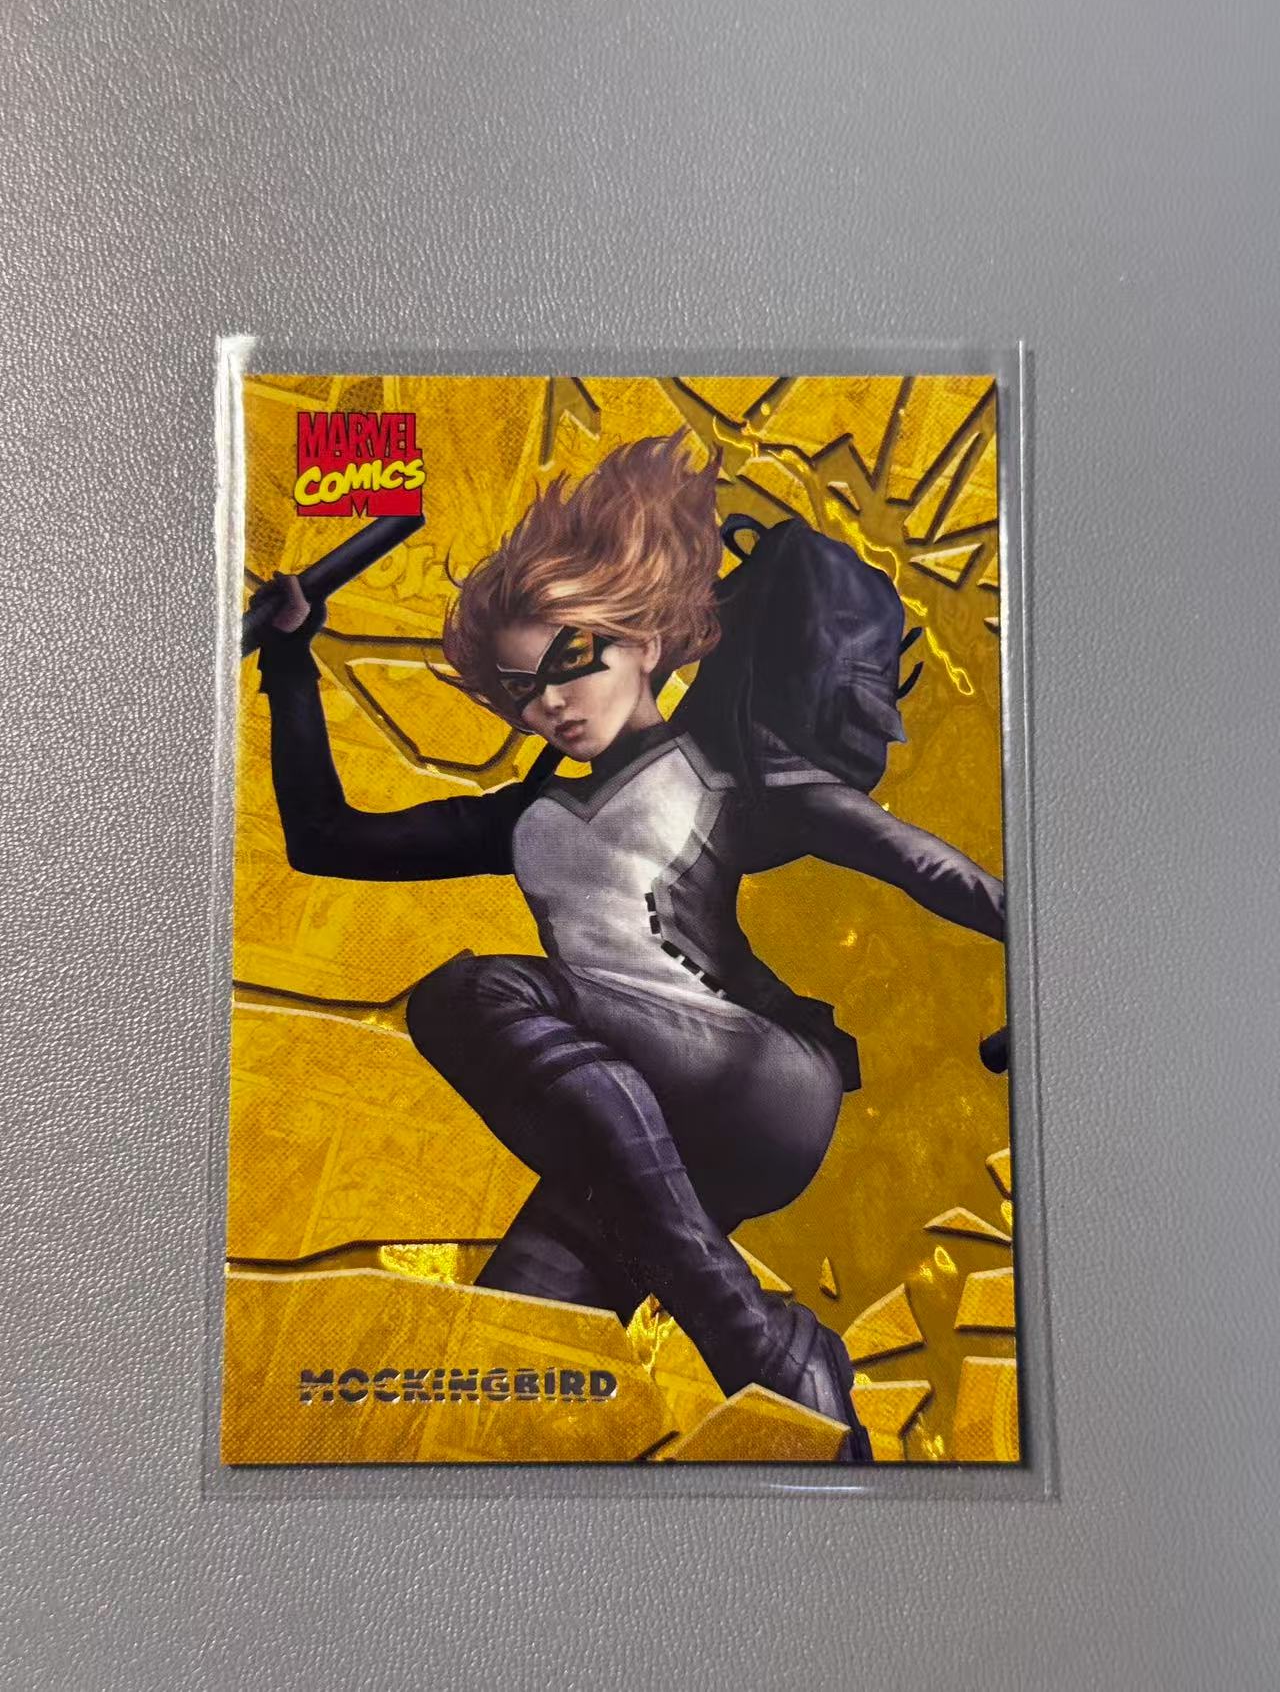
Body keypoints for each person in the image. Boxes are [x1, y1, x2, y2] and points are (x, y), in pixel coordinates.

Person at [254, 434, 1005, 1464]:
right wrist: (290, 659)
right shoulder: (525, 817)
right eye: (523, 687)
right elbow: (326, 841)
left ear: (645, 638)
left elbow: (915, 861)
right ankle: (800, 1384)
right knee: (509, 1342)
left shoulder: (726, 770)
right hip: (646, 1134)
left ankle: (749, 1335)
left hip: (760, 1085)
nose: (550, 702)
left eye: (571, 659)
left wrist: (1046, 954)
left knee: (470, 995)